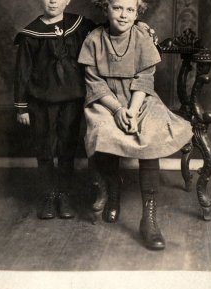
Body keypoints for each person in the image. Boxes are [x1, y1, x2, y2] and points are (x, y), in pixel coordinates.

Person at [14, 0, 154, 220]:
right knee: (44, 148)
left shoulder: (79, 25)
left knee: (66, 147)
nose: (53, 1)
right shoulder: (31, 33)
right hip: (40, 101)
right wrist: (21, 106)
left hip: (72, 99)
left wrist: (142, 25)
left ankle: (64, 194)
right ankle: (49, 195)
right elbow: (22, 71)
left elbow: (114, 23)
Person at [78, 0, 193, 250]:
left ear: (137, 12)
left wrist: (130, 109)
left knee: (150, 133)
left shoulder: (142, 36)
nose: (123, 15)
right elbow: (94, 83)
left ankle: (148, 217)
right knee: (103, 132)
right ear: (105, 8)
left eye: (130, 9)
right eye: (117, 7)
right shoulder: (94, 39)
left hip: (139, 99)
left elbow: (144, 78)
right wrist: (117, 110)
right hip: (106, 100)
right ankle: (113, 191)